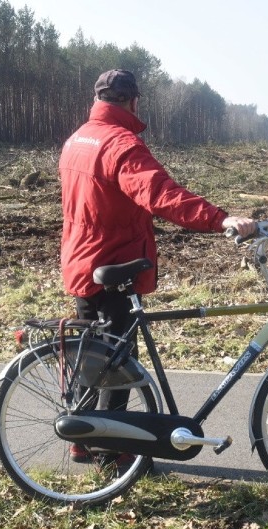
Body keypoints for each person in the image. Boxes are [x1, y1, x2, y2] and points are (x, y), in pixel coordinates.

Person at [58, 69, 255, 463]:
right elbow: (161, 194)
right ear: (134, 101)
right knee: (116, 362)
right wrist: (220, 219)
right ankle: (111, 450)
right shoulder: (121, 144)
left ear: (99, 98)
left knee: (93, 355)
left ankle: (82, 437)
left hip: (81, 259)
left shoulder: (78, 138)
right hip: (113, 262)